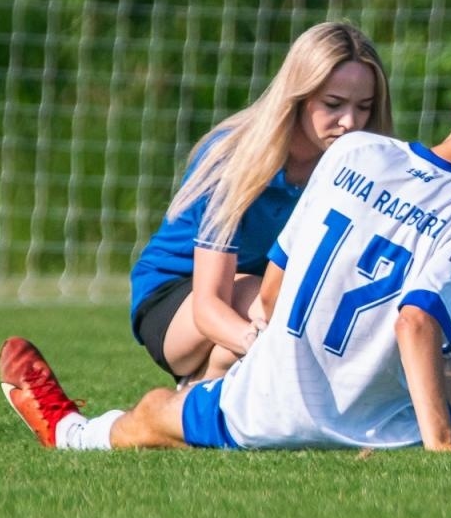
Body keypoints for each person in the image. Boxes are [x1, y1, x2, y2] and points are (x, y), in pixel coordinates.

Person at [1, 69, 451, 452]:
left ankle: (67, 430)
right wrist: (440, 441)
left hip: (264, 408)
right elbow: (416, 324)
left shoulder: (357, 151)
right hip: (379, 422)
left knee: (156, 411)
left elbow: (275, 282)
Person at [129, 21, 393, 384]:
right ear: (298, 96)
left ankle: (199, 389)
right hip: (180, 301)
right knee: (291, 306)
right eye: (333, 104)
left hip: (256, 299)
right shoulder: (232, 157)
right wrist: (268, 351)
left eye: (363, 107)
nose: (350, 122)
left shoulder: (355, 166)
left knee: (303, 310)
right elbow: (209, 307)